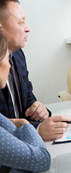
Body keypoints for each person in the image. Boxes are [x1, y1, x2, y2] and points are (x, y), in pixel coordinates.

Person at [0, 0, 71, 141]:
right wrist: (37, 130)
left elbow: (27, 96)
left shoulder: (18, 54)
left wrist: (38, 109)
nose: (28, 28)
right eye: (21, 22)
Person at [0, 32, 51, 172]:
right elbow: (41, 160)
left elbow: (12, 132)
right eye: (6, 58)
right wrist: (25, 124)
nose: (10, 66)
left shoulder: (18, 55)